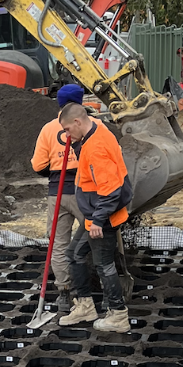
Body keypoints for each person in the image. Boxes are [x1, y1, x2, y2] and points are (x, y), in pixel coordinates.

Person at [58, 102, 133, 333]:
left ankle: (118, 315)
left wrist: (99, 220)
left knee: (104, 264)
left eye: (68, 130)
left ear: (78, 122)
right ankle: (86, 306)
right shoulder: (97, 130)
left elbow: (111, 190)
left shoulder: (96, 147)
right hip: (95, 214)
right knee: (75, 254)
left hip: (102, 217)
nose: (66, 135)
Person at [31, 83, 86, 314]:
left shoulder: (48, 129)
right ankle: (95, 290)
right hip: (85, 192)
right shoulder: (90, 126)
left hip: (58, 192)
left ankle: (64, 292)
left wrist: (53, 171)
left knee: (58, 244)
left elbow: (37, 165)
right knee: (96, 238)